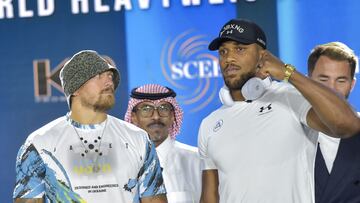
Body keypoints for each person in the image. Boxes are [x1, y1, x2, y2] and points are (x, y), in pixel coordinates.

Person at [198, 18, 360, 203]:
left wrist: (288, 73)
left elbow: (347, 125)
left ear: (262, 55)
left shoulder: (290, 97)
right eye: (223, 52)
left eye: (240, 49)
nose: (229, 58)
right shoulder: (209, 124)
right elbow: (210, 197)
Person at [13, 50, 167, 203]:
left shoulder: (138, 138)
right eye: (98, 75)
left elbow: (155, 200)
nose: (109, 82)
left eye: (110, 76)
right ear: (75, 89)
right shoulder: (40, 143)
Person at [125, 84, 201, 203]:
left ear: (172, 116)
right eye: (146, 109)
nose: (156, 117)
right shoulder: (121, 161)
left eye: (163, 108)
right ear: (134, 117)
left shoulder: (197, 160)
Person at [307, 42, 360, 203]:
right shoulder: (286, 130)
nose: (331, 89)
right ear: (308, 81)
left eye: (341, 80)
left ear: (352, 84)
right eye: (324, 79)